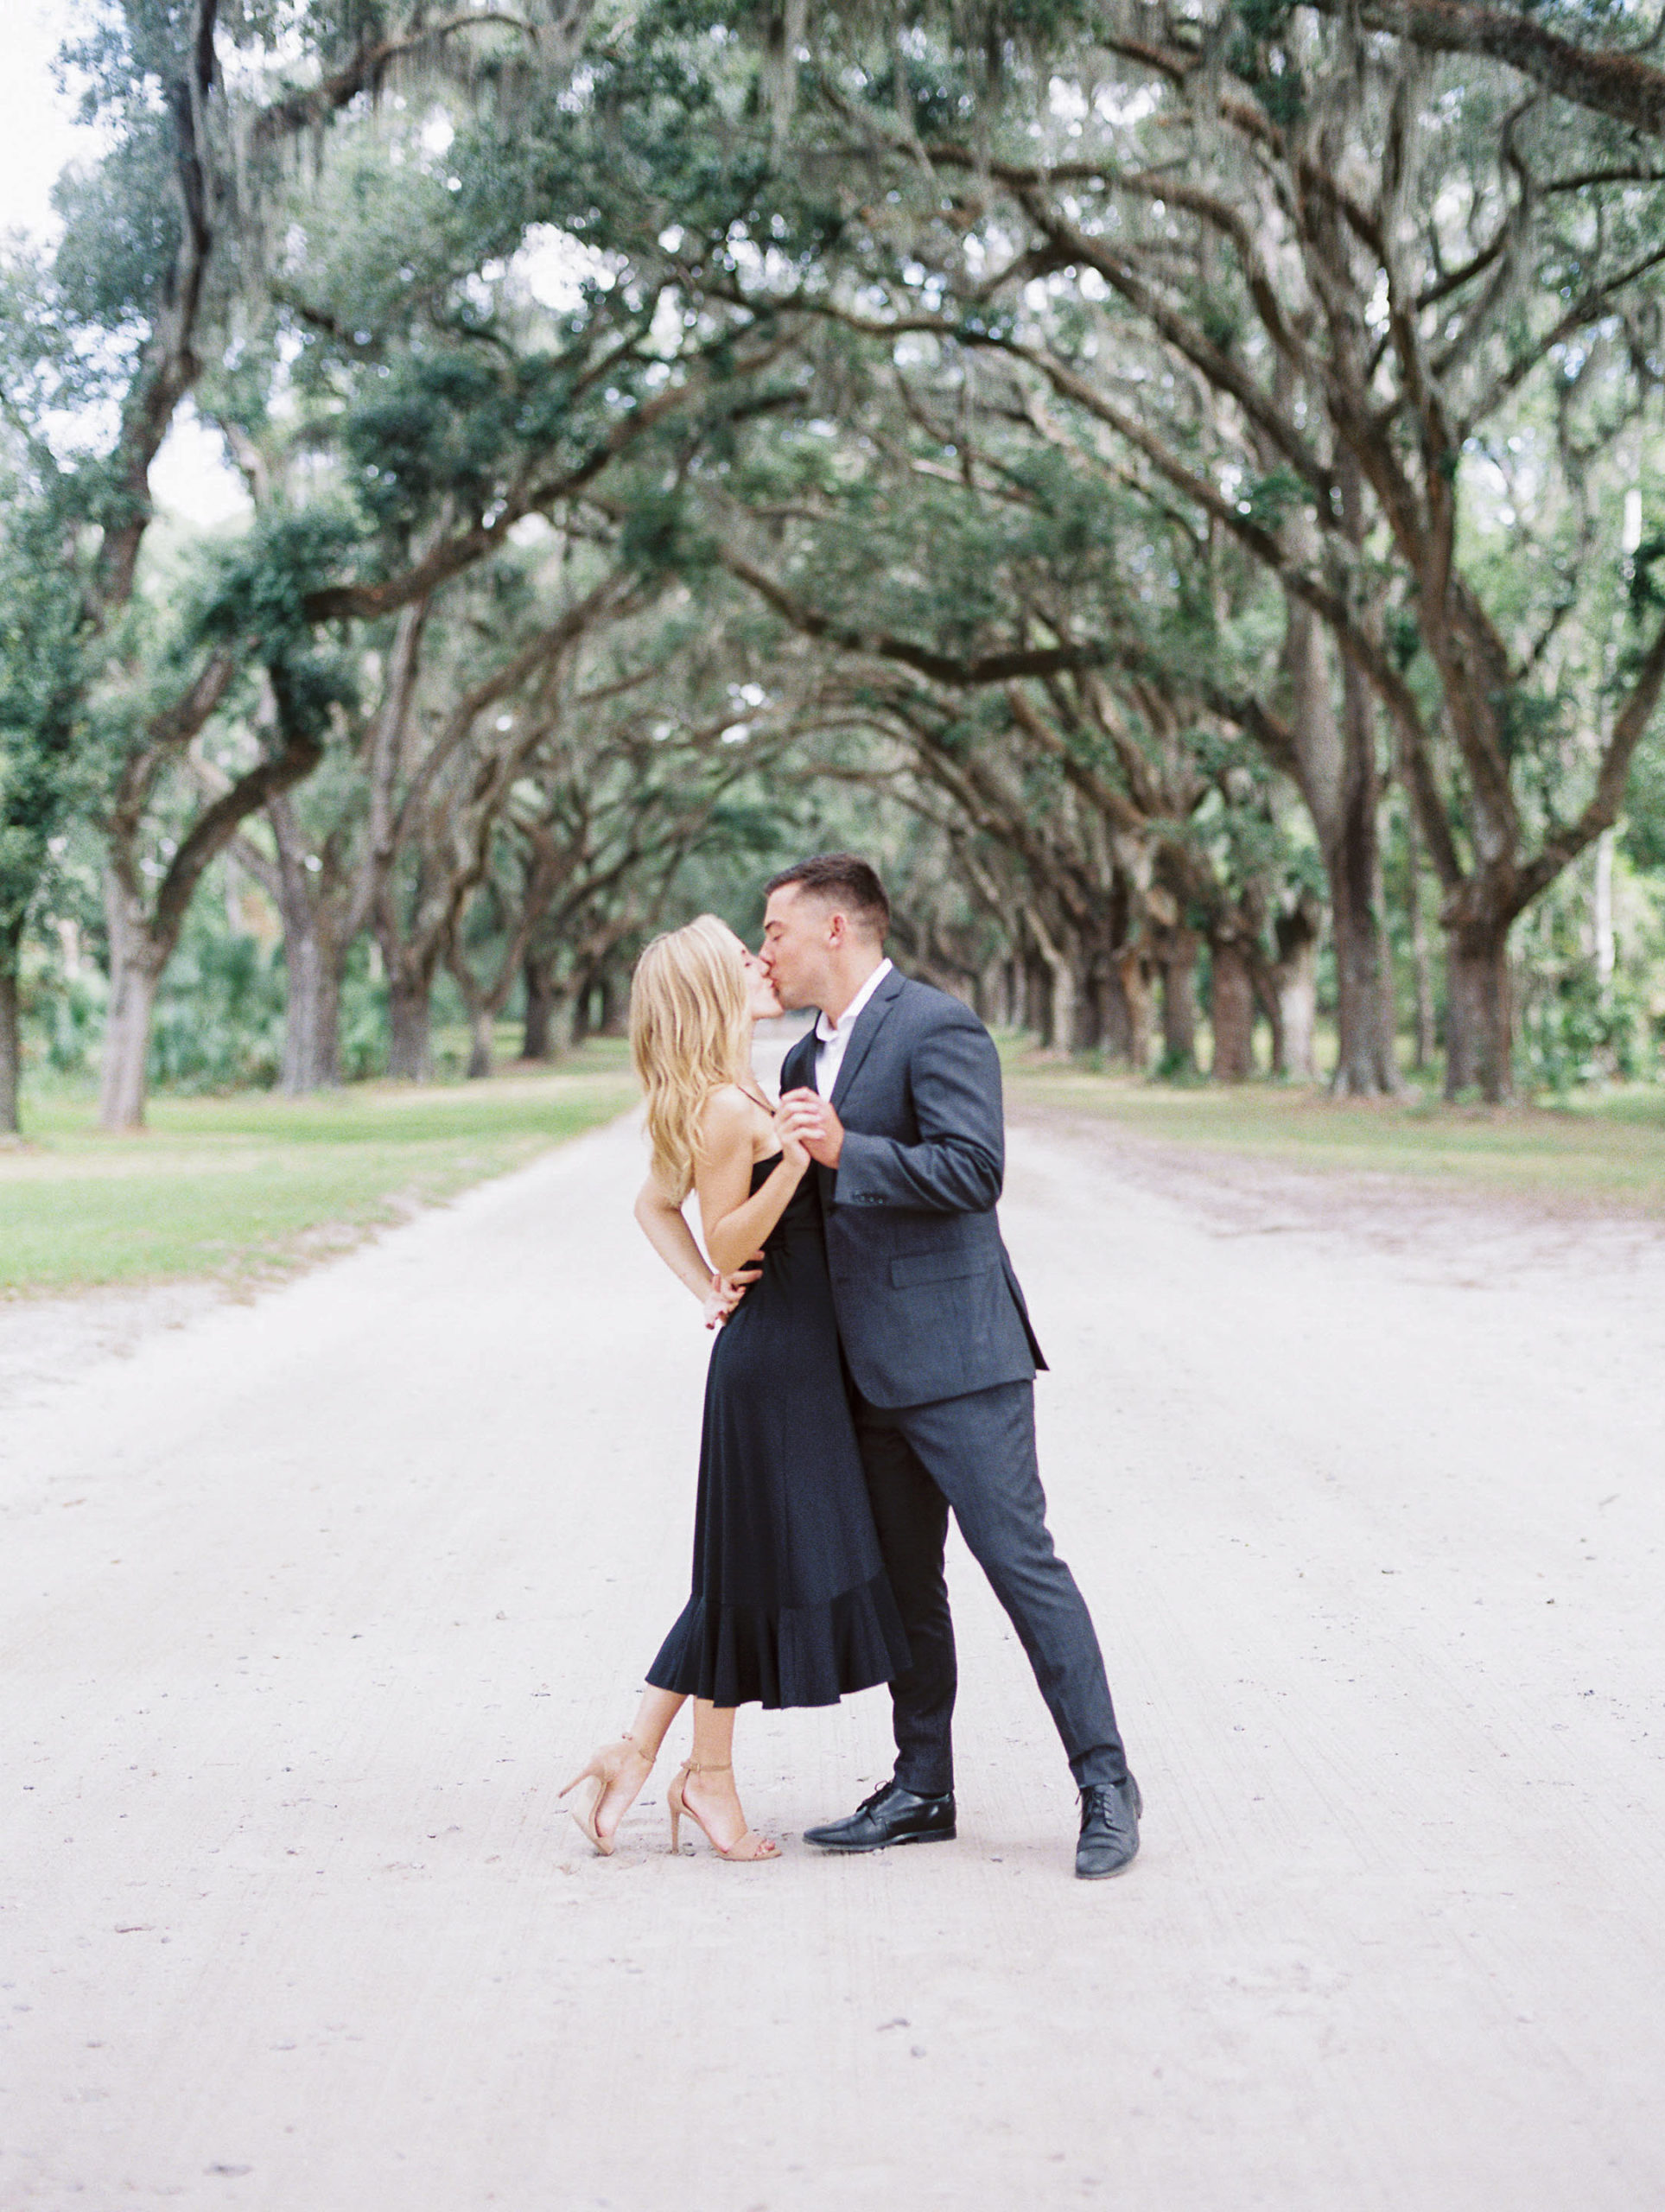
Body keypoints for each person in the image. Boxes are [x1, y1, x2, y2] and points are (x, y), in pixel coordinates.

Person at [762, 854, 1141, 1880]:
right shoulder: (799, 1064)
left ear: (836, 930)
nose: (767, 952)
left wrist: (851, 1152)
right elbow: (810, 1213)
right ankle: (921, 1785)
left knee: (1021, 1569)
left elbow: (976, 1171)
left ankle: (1106, 1783)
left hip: (964, 1361)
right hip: (863, 1374)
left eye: (776, 933)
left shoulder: (937, 1026)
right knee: (905, 1589)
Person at [560, 914, 909, 1863]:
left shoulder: (734, 1089)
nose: (763, 964)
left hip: (783, 1355)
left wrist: (707, 1294)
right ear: (713, 992)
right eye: (743, 960)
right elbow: (727, 1238)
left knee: (739, 1572)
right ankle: (692, 1776)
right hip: (774, 1366)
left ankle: (645, 1760)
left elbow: (651, 1202)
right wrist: (790, 1168)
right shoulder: (725, 1106)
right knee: (749, 1572)